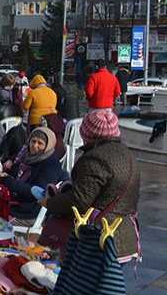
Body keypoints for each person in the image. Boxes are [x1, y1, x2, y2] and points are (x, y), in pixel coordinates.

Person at [44, 109, 140, 262]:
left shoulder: (94, 159)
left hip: (101, 238)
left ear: (87, 134)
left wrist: (49, 202)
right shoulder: (127, 154)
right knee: (111, 283)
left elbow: (79, 201)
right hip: (126, 236)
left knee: (89, 283)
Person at [0, 126, 67, 220]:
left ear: (48, 146)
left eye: (40, 143)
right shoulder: (26, 155)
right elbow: (16, 172)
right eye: (33, 141)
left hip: (31, 208)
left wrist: (8, 181)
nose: (35, 145)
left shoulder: (50, 164)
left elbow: (37, 193)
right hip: (19, 198)